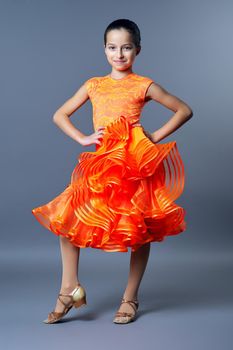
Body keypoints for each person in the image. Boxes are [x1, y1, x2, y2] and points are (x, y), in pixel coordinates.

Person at [31, 18, 193, 325]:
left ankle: (130, 297)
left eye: (126, 48)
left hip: (135, 166)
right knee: (68, 218)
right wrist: (83, 138)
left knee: (139, 229)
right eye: (112, 47)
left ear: (137, 50)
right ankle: (69, 288)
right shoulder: (94, 84)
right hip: (101, 165)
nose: (119, 54)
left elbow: (184, 109)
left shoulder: (143, 84)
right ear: (104, 49)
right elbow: (59, 114)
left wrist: (152, 138)